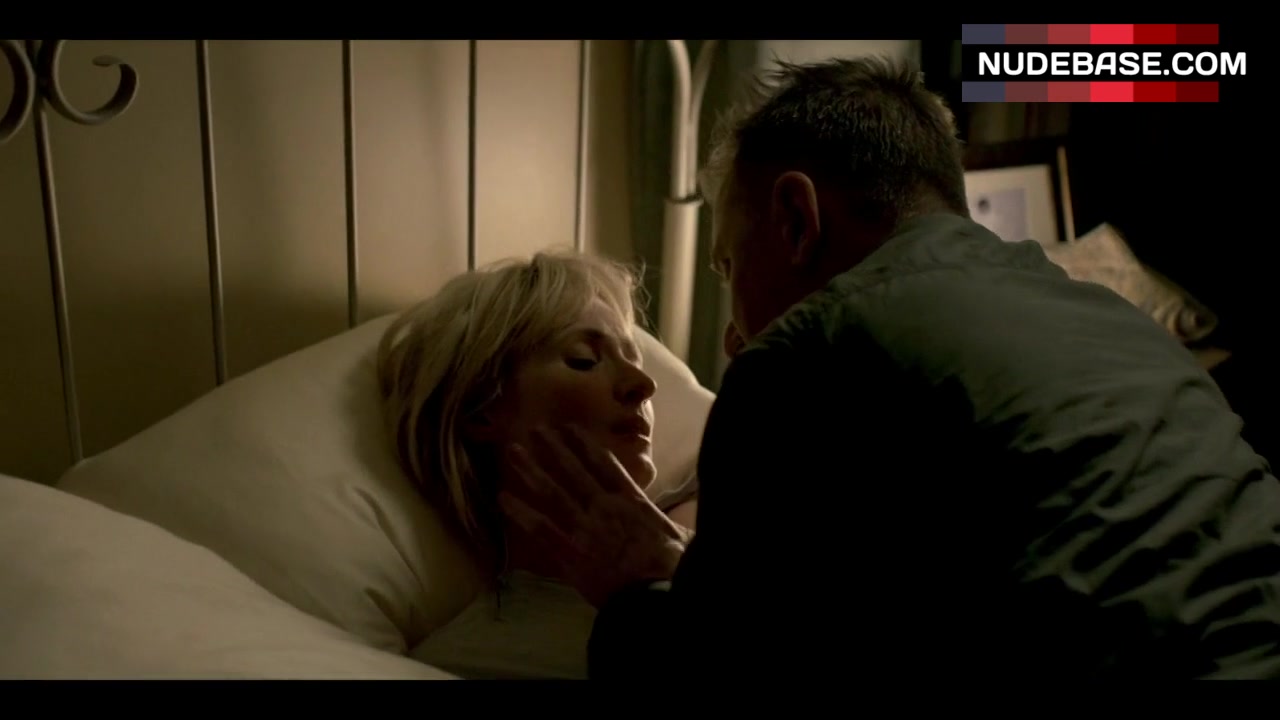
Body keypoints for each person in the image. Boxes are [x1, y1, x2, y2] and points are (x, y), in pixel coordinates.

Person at [497, 56, 1280, 680]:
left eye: (730, 266)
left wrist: (630, 591)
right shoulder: (1118, 321)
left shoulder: (803, 360)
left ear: (796, 219)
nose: (732, 335)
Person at [375, 251, 695, 679]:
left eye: (634, 360)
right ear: (482, 409)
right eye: (584, 359)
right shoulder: (474, 659)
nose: (644, 384)